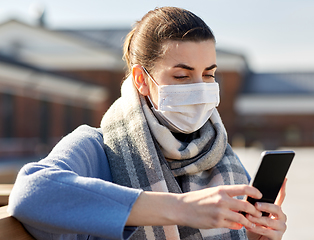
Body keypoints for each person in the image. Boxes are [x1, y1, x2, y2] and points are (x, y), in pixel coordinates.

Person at [8, 6, 287, 240]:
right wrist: (180, 208)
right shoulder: (97, 147)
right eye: (181, 76)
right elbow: (31, 193)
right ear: (141, 80)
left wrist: (255, 236)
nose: (200, 88)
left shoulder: (219, 153)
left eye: (209, 75)